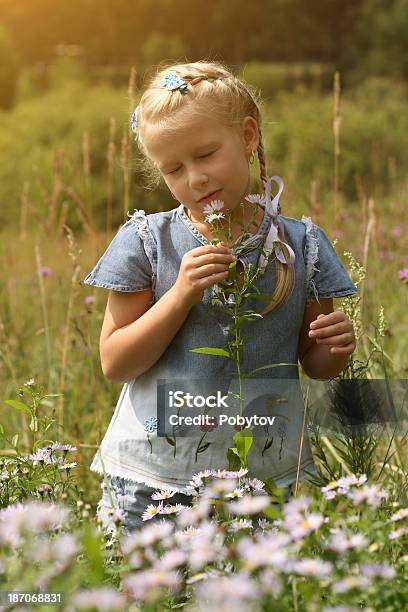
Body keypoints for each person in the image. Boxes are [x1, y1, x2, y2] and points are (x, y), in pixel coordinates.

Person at [83, 61, 357, 533]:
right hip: (153, 481)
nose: (196, 178)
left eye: (206, 154)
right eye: (173, 168)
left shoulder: (301, 245)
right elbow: (116, 363)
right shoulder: (148, 241)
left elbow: (314, 363)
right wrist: (180, 295)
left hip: (260, 480)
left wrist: (333, 349)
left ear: (248, 136)